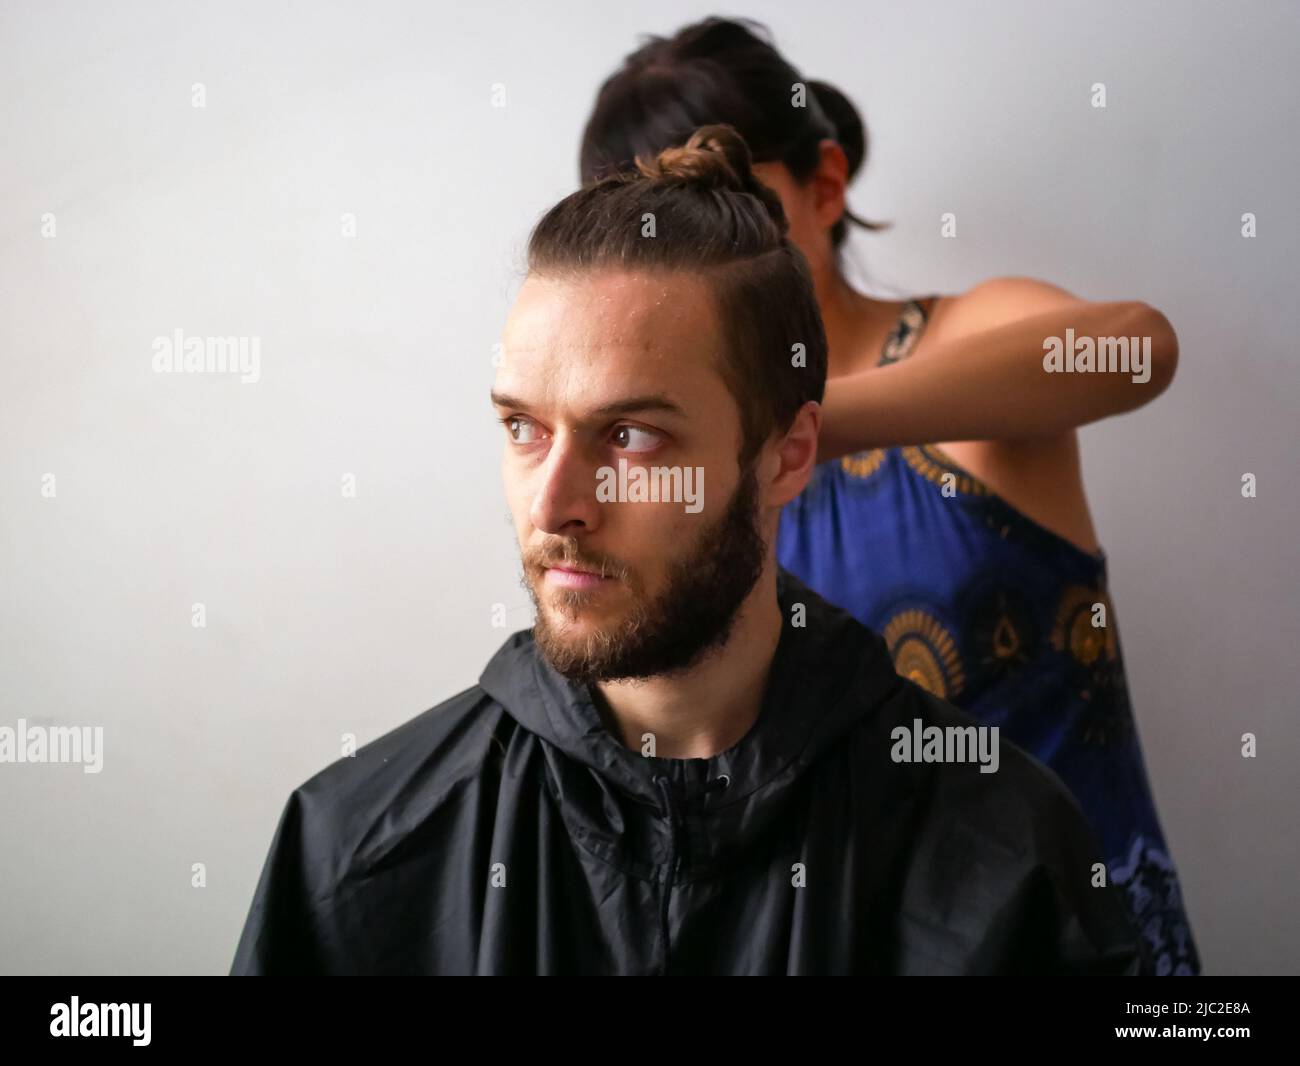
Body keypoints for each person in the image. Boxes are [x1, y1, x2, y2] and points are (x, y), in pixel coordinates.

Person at [230, 126, 1140, 976]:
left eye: (630, 437)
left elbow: (1135, 352)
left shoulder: (1004, 857)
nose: (554, 507)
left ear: (788, 455)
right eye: (522, 427)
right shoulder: (354, 851)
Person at [578, 16, 1198, 974]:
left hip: (1075, 937)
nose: (692, 262)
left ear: (824, 186)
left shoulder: (961, 349)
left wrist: (811, 420)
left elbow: (1139, 345)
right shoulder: (671, 471)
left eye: (730, 211)